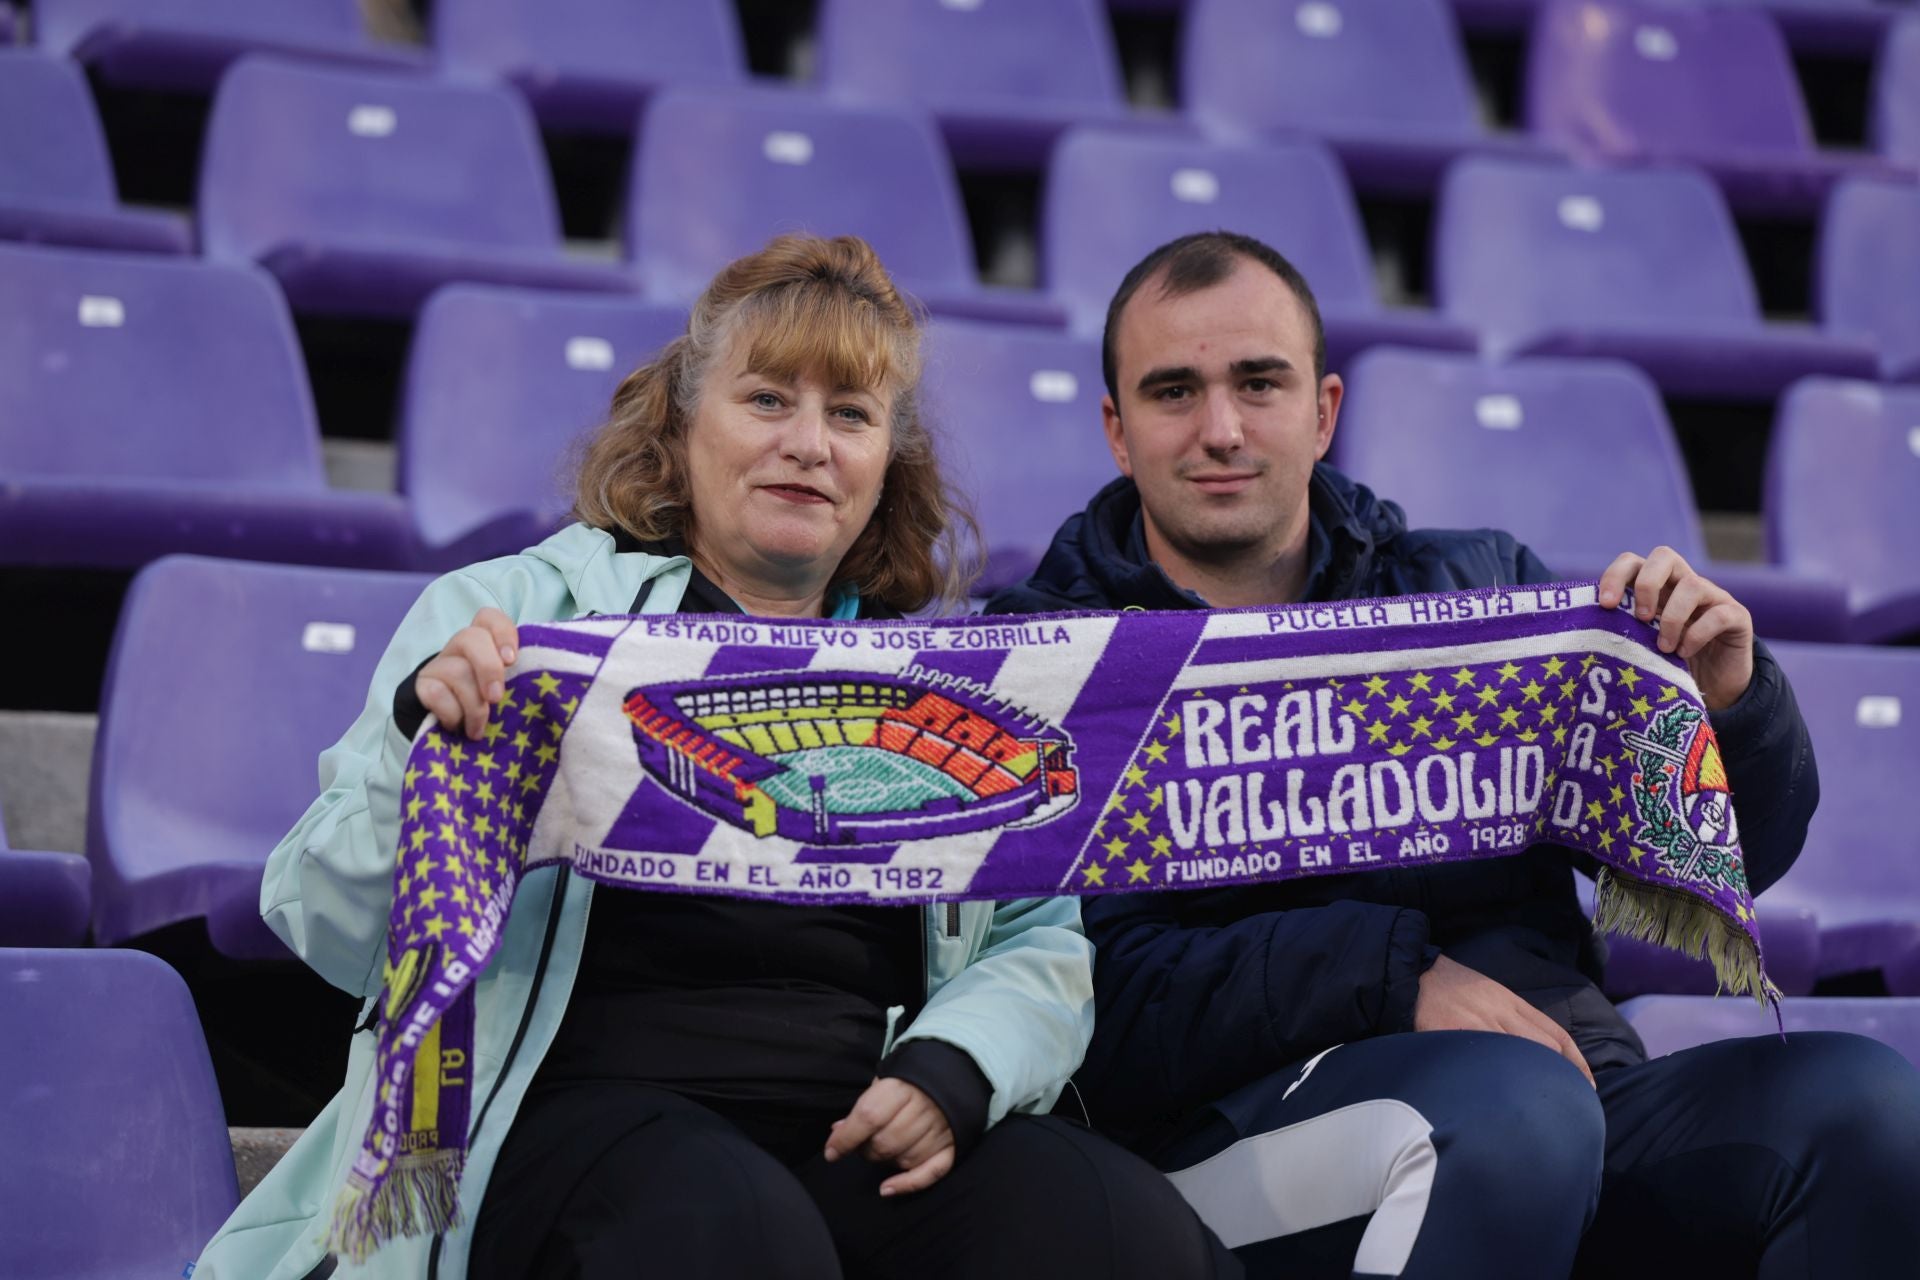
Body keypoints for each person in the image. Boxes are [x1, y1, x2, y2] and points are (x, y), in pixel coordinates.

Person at [194, 235, 1237, 1280]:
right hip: (569, 1119)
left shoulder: (945, 675)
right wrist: (422, 746)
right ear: (684, 425)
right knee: (732, 1232)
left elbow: (1039, 941)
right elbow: (322, 917)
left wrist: (958, 1065)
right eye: (769, 399)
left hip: (850, 1128)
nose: (810, 445)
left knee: (1116, 1227)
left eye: (851, 415)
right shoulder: (514, 615)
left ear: (887, 462)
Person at [986, 230, 1920, 1279]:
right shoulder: (1047, 661)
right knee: (1510, 1119)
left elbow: (1725, 862)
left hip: (1566, 1085)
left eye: (1259, 381)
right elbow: (1082, 994)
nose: (1221, 427)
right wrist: (1393, 977)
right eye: (1172, 391)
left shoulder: (1475, 591)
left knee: (1866, 1105)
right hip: (1226, 1134)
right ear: (1116, 429)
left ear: (1325, 409)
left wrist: (1726, 710)